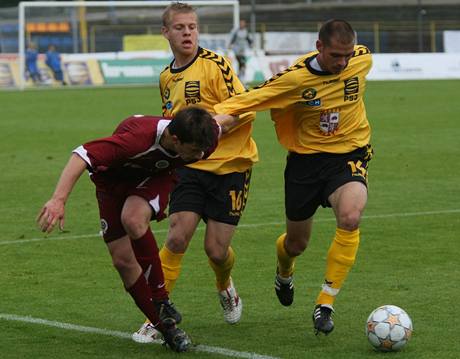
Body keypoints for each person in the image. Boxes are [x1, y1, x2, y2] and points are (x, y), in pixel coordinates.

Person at [214, 19, 373, 336]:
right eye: (335, 56)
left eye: (346, 55)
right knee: (296, 244)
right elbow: (253, 99)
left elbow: (354, 60)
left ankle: (325, 303)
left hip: (349, 155)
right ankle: (284, 270)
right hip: (305, 164)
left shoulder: (362, 59)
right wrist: (213, 118)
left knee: (351, 216)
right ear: (319, 47)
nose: (342, 63)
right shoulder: (295, 79)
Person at [36, 107, 220, 352]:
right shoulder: (135, 140)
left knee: (133, 219)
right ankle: (165, 327)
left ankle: (162, 299)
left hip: (155, 176)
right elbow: (82, 154)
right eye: (195, 149)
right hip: (111, 184)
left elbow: (223, 122)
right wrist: (58, 199)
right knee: (123, 260)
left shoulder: (205, 138)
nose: (200, 154)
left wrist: (242, 108)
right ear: (175, 139)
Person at [132, 2, 258, 343]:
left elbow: (245, 109)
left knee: (216, 251)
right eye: (180, 28)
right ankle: (157, 316)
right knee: (176, 237)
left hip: (231, 167)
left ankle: (225, 286)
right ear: (166, 32)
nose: (187, 33)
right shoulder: (165, 77)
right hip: (190, 167)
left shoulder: (216, 65)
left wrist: (211, 130)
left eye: (192, 27)